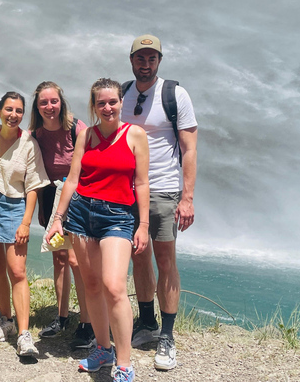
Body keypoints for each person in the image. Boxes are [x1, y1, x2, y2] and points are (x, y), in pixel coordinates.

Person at [45, 78, 150, 382]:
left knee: (114, 286)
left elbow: (142, 182)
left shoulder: (135, 135)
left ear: (121, 103)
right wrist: (58, 218)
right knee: (91, 285)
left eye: (112, 102)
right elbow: (73, 179)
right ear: (93, 106)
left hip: (118, 217)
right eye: (101, 103)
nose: (107, 108)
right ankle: (103, 349)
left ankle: (124, 362)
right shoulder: (86, 135)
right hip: (81, 214)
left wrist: (143, 225)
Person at [121, 35, 198, 371]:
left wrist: (187, 197)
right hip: (127, 190)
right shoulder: (122, 93)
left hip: (164, 189)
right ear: (132, 60)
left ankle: (167, 335)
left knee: (165, 260)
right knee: (139, 256)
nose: (146, 63)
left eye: (152, 58)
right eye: (140, 58)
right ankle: (147, 323)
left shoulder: (175, 95)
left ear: (159, 61)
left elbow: (190, 148)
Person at [0, 92, 49, 358]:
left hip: (14, 207)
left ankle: (24, 334)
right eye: (8, 109)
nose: (13, 115)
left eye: (18, 111)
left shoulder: (29, 143)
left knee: (17, 271)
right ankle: (5, 320)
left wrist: (26, 222)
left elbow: (33, 186)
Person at [29, 82, 95, 349]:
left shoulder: (76, 128)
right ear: (37, 107)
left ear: (61, 102)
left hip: (77, 198)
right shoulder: (35, 134)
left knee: (77, 260)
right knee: (59, 258)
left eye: (53, 101)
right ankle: (62, 317)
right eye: (43, 102)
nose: (49, 107)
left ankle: (87, 323)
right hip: (50, 197)